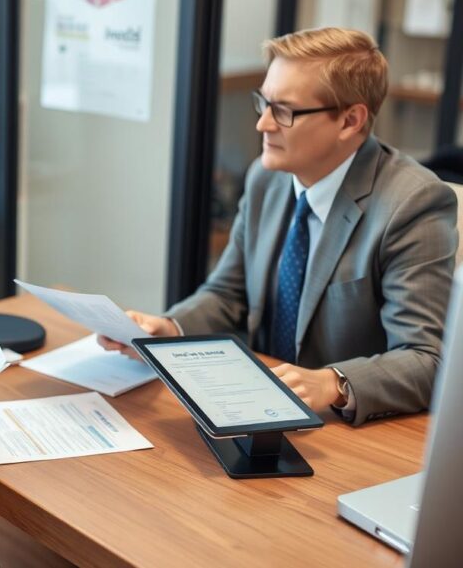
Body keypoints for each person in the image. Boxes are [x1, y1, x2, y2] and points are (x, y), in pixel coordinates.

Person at [100, 28, 458, 426]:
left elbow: (427, 358)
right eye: (264, 103)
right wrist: (166, 328)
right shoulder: (266, 178)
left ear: (350, 120)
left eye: (284, 111)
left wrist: (334, 383)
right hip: (255, 410)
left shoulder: (412, 203)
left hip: (347, 432)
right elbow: (227, 293)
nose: (263, 124)